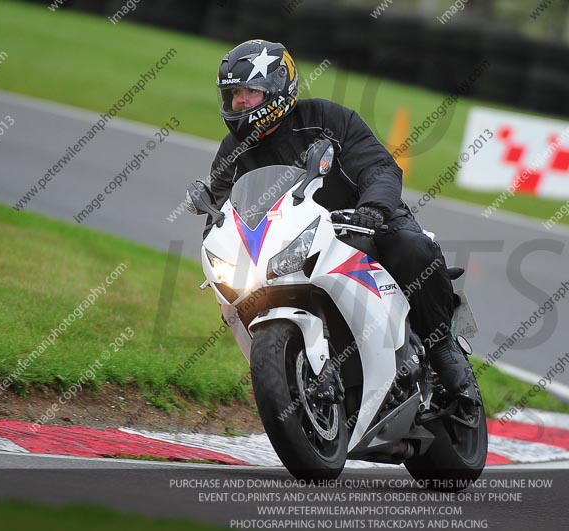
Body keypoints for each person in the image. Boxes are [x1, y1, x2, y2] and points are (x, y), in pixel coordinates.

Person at [203, 39, 473, 398]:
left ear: (279, 88)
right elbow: (222, 213)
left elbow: (379, 168)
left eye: (250, 91)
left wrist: (374, 209)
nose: (240, 102)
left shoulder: (329, 119)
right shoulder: (231, 152)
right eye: (234, 93)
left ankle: (442, 350)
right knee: (235, 295)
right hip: (289, 246)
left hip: (359, 225)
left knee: (412, 249)